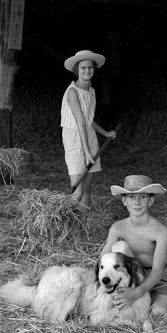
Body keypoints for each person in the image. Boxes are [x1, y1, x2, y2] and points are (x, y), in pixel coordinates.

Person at [99, 175, 167, 316]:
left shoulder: (160, 230)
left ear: (151, 201)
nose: (137, 202)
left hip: (160, 278)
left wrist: (136, 293)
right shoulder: (118, 227)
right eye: (131, 197)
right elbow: (102, 260)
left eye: (142, 197)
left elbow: (157, 271)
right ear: (124, 201)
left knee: (157, 313)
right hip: (133, 276)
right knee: (119, 248)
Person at [61, 50, 117, 219]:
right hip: (74, 139)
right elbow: (79, 123)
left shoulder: (91, 91)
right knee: (76, 192)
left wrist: (105, 133)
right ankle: (67, 228)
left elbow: (88, 120)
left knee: (87, 189)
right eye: (83, 68)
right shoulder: (72, 92)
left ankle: (82, 227)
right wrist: (86, 152)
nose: (87, 71)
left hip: (89, 136)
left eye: (90, 67)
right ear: (77, 70)